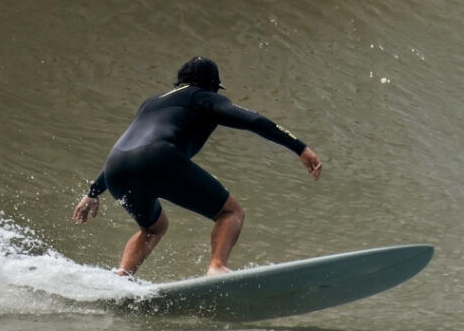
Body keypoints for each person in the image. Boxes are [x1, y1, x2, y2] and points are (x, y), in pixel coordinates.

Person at [73, 56, 322, 276]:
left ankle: (123, 277)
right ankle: (216, 267)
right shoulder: (203, 97)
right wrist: (300, 148)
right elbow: (254, 120)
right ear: (213, 86)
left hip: (115, 165)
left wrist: (93, 192)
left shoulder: (151, 103)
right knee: (230, 213)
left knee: (153, 227)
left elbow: (132, 148)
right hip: (158, 159)